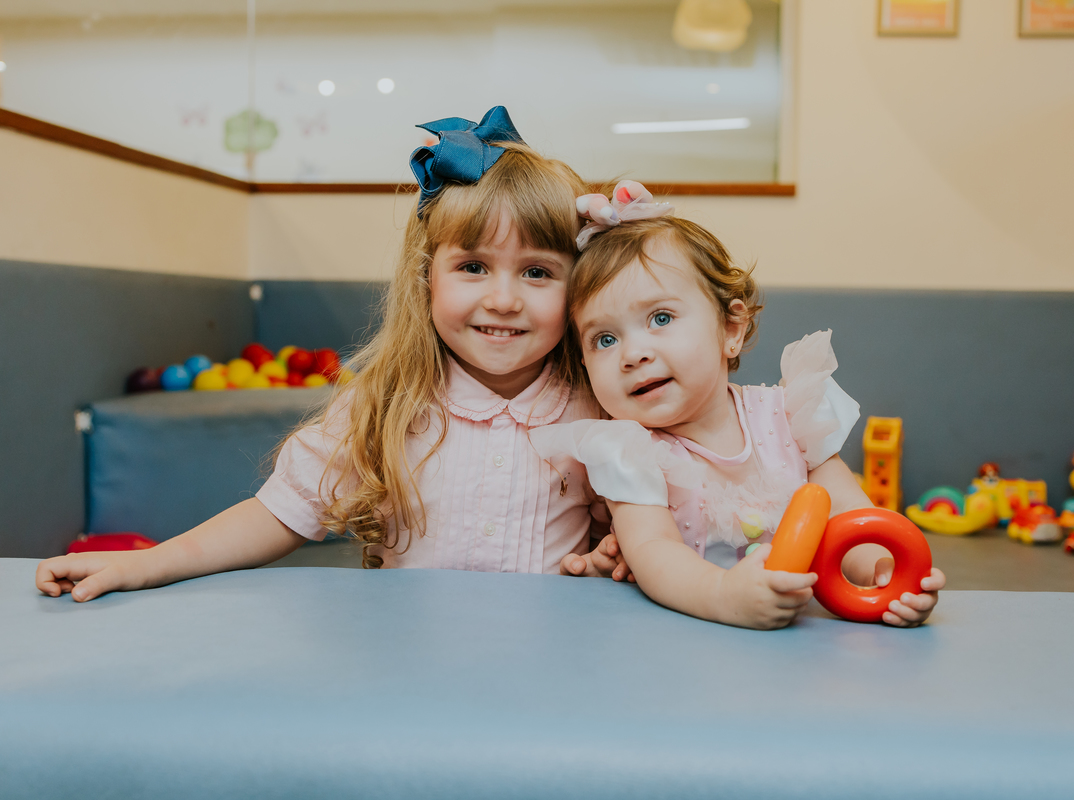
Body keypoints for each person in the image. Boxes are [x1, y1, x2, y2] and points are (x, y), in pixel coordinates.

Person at [36, 107, 625, 603]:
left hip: (547, 677)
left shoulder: (601, 408)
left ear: (580, 288)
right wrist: (144, 565)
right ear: (427, 279)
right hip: (410, 672)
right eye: (472, 267)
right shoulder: (387, 406)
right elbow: (277, 515)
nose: (502, 299)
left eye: (538, 272)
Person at [533, 182, 946, 630]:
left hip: (795, 649)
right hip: (685, 641)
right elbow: (654, 553)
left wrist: (883, 574)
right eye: (605, 340)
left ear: (730, 329)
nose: (633, 354)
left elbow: (851, 515)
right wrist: (724, 595)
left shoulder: (790, 416)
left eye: (661, 318)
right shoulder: (630, 453)